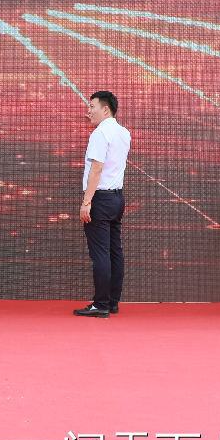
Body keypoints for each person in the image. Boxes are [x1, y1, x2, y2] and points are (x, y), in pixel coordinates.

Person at [74, 90, 131, 319]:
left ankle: (101, 304)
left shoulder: (100, 133)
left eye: (92, 107)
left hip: (101, 199)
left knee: (100, 254)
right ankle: (112, 301)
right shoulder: (124, 132)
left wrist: (87, 201)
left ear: (105, 109)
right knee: (115, 252)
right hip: (117, 199)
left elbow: (97, 168)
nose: (88, 111)